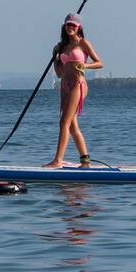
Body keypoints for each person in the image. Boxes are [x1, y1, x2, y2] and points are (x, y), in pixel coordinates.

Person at [43, 13, 103, 168]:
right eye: (68, 25)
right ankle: (85, 161)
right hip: (65, 86)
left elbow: (99, 63)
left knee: (64, 121)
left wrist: (86, 65)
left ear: (79, 28)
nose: (70, 27)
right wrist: (55, 56)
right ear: (64, 27)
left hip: (78, 84)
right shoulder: (62, 46)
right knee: (72, 125)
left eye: (73, 25)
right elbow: (59, 73)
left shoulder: (83, 43)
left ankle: (57, 160)